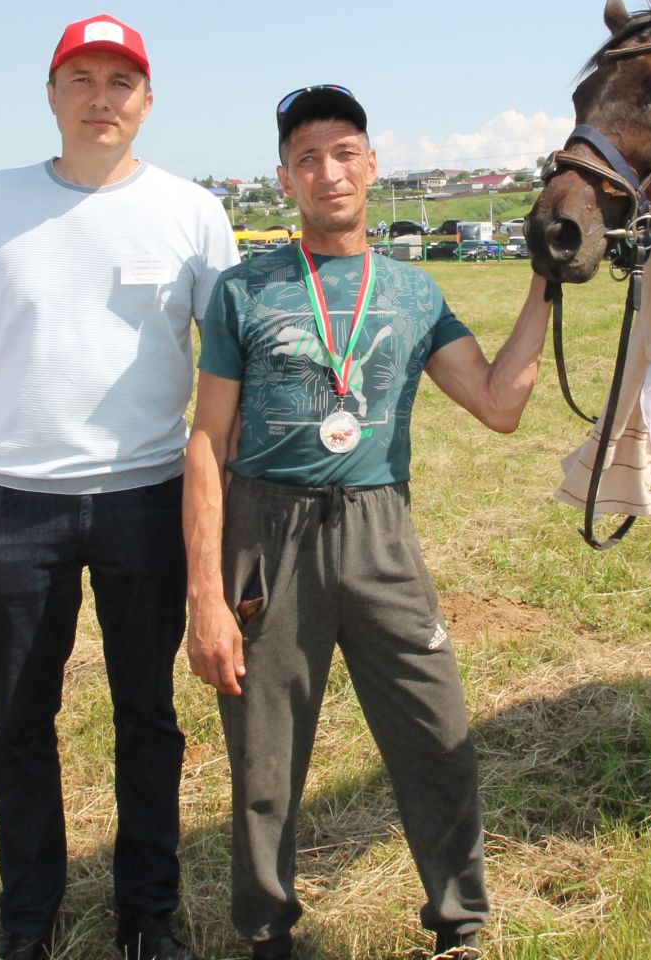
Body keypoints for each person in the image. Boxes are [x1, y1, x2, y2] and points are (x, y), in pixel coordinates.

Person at [183, 85, 553, 960]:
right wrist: (205, 592)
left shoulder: (413, 292)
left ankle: (460, 925)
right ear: (286, 178)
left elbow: (500, 404)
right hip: (267, 534)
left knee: (439, 734)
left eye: (344, 152)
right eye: (308, 158)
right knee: (265, 760)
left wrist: (544, 283)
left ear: (371, 164)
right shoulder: (243, 292)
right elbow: (206, 441)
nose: (328, 172)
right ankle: (268, 932)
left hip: (381, 529)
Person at [0, 14, 236, 960]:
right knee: (20, 718)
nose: (103, 98)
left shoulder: (192, 211)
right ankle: (29, 917)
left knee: (148, 713)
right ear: (51, 93)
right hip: (16, 504)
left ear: (147, 101)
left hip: (146, 496)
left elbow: (226, 373)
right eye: (83, 79)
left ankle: (149, 912)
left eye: (121, 82)